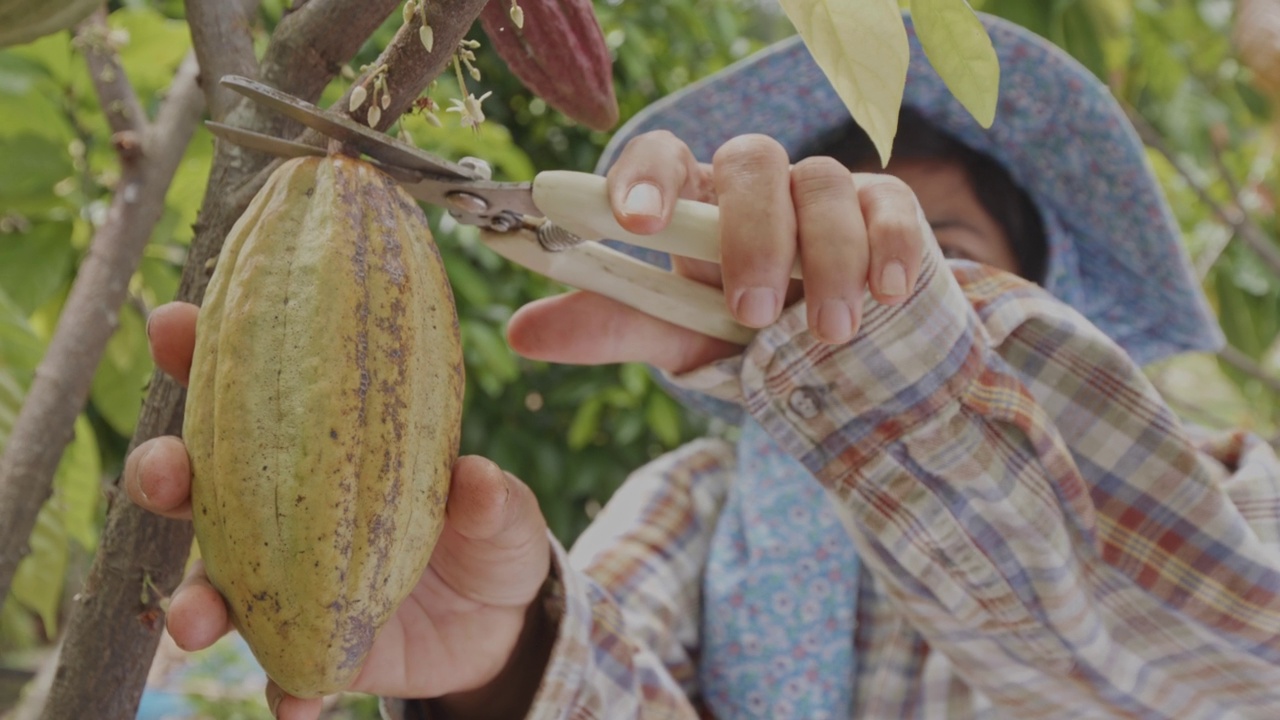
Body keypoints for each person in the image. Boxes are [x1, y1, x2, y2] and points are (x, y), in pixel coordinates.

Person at [127, 13, 1280, 720]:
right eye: (873, 249)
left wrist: (902, 363)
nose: (894, 279)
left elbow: (1227, 662)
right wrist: (498, 670)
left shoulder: (1229, 500)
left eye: (949, 261)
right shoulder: (690, 511)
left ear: (1048, 299)